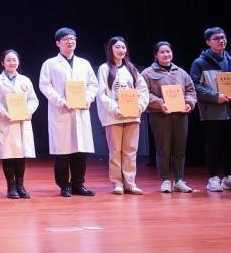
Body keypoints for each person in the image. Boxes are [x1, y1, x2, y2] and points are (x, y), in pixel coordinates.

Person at [38, 27, 99, 197]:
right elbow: (45, 85)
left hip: (80, 110)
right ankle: (64, 185)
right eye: (66, 39)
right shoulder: (50, 64)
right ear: (58, 43)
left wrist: (87, 98)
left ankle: (78, 184)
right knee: (62, 152)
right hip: (61, 111)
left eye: (73, 38)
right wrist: (61, 101)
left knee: (80, 150)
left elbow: (93, 84)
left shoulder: (84, 63)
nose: (70, 41)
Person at [189, 27, 231, 192]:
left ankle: (229, 177)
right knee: (213, 144)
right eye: (216, 38)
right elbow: (195, 86)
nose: (221, 41)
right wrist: (216, 96)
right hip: (213, 111)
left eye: (223, 37)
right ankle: (213, 178)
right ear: (208, 42)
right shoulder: (199, 63)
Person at [96, 36, 151, 195]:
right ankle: (117, 183)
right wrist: (115, 108)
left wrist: (140, 106)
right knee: (115, 151)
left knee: (130, 150)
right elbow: (102, 94)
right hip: (113, 116)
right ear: (110, 49)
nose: (121, 50)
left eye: (123, 47)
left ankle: (130, 183)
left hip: (132, 115)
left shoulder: (132, 69)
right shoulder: (104, 69)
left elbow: (142, 90)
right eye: (117, 47)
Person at [141, 41, 197, 193]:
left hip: (180, 115)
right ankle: (165, 180)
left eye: (168, 51)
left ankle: (179, 180)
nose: (166, 54)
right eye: (162, 52)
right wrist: (160, 103)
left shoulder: (181, 72)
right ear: (156, 55)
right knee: (163, 149)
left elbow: (191, 91)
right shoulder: (147, 73)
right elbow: (144, 93)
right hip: (160, 116)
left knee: (180, 149)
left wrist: (189, 103)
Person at [0, 49, 39, 199]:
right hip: (5, 122)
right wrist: (5, 113)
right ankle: (11, 186)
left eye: (14, 60)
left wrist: (28, 111)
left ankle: (21, 186)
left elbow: (33, 100)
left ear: (18, 62)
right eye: (8, 60)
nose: (12, 63)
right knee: (8, 155)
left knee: (20, 155)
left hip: (22, 122)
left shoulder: (25, 80)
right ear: (3, 63)